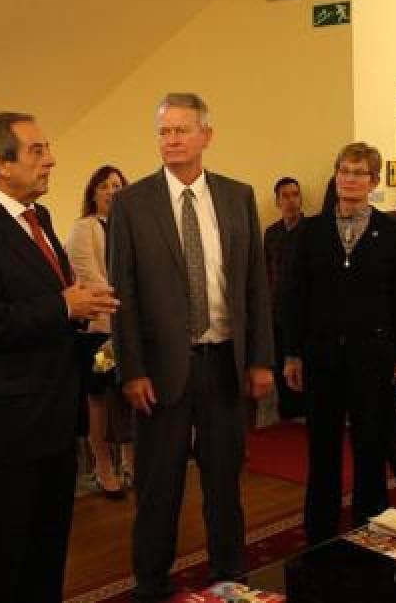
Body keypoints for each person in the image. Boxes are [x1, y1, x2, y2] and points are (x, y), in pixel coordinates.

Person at [0, 112, 119, 602]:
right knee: (3, 556)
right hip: (8, 423)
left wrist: (82, 302)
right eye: (38, 151)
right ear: (1, 163)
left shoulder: (39, 218)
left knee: (47, 552)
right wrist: (64, 304)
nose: (51, 160)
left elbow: (49, 300)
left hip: (54, 416)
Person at [107, 92, 274, 602]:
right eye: (163, 131)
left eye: (182, 129)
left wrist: (261, 358)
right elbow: (124, 295)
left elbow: (254, 286)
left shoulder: (237, 195)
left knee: (225, 486)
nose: (172, 139)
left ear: (206, 135)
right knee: (159, 489)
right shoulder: (132, 204)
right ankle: (151, 584)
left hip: (224, 363)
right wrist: (131, 370)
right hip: (160, 373)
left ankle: (230, 577)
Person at [282, 143, 396, 545]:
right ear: (335, 176)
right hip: (321, 356)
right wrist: (291, 352)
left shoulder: (392, 232)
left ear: (374, 181)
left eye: (359, 173)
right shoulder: (311, 230)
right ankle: (319, 534)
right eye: (344, 171)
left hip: (373, 358)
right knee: (322, 452)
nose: (350, 179)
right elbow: (293, 296)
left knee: (370, 447)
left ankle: (368, 530)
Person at [66, 164, 134, 498]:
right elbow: (92, 279)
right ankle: (102, 464)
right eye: (105, 186)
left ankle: (130, 459)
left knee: (129, 393)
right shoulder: (85, 228)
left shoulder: (130, 228)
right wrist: (128, 305)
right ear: (94, 192)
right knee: (100, 397)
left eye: (118, 185)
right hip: (101, 332)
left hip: (129, 330)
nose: (112, 191)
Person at [264, 176, 306, 421]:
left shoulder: (311, 229)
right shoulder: (272, 233)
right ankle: (287, 415)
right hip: (277, 312)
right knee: (281, 365)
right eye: (286, 196)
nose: (291, 200)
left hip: (302, 312)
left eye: (295, 195)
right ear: (278, 201)